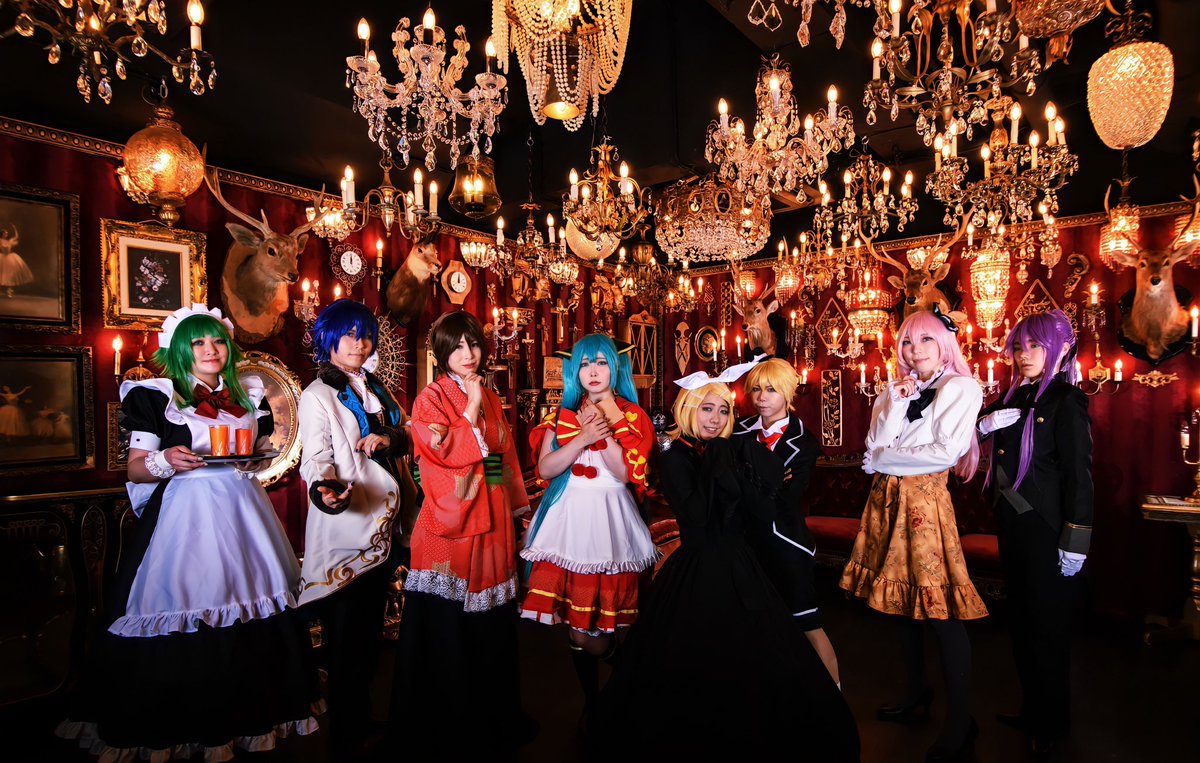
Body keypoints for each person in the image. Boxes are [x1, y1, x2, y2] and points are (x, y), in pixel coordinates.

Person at [57, 304, 319, 760]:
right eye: (198, 342)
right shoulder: (156, 396)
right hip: (188, 514)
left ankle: (251, 716)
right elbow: (136, 469)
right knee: (190, 598)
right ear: (180, 350)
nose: (210, 349)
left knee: (254, 597)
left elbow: (255, 449)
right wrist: (165, 460)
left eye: (217, 341)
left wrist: (257, 454)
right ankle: (184, 724)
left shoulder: (249, 395)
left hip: (244, 511)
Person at [588, 373, 860, 759]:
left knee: (761, 653)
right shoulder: (675, 455)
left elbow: (762, 506)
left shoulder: (726, 448)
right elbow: (698, 516)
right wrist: (720, 459)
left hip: (740, 561)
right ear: (688, 409)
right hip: (700, 565)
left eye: (722, 411)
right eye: (706, 409)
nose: (714, 419)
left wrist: (741, 463)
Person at [839, 307, 986, 762]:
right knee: (899, 604)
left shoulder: (962, 387)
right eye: (907, 341)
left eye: (925, 340)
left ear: (944, 345)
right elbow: (874, 442)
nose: (914, 349)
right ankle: (916, 693)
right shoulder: (897, 388)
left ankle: (960, 723)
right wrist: (898, 402)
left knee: (940, 609)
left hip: (924, 503)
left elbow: (943, 452)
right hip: (886, 498)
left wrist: (885, 457)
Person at [392, 310, 532, 748]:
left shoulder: (489, 394)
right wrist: (469, 407)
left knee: (489, 625)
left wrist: (506, 505)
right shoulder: (429, 398)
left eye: (472, 344)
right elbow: (439, 456)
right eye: (456, 347)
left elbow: (500, 456)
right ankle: (447, 722)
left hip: (490, 516)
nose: (467, 354)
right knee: (447, 624)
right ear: (441, 353)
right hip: (448, 520)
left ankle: (490, 715)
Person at [297, 298, 414, 757]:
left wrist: (390, 437)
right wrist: (325, 489)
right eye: (349, 335)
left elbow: (404, 433)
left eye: (365, 336)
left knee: (367, 639)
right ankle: (345, 734)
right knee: (345, 640)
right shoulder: (317, 395)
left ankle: (362, 719)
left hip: (386, 525)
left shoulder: (377, 387)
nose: (359, 344)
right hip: (348, 526)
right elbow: (316, 457)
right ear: (328, 339)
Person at [976, 310, 1092, 758]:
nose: (1024, 355)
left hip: (1047, 530)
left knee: (1048, 631)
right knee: (1022, 624)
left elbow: (1080, 476)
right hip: (1013, 526)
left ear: (1060, 350)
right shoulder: (1013, 395)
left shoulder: (1067, 400)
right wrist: (982, 425)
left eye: (1035, 346)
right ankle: (1032, 709)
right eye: (1020, 347)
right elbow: (968, 433)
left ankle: (1052, 722)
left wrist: (1076, 539)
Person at [519, 333, 657, 711]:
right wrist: (581, 438)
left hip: (609, 523)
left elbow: (625, 473)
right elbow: (545, 469)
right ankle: (592, 704)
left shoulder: (632, 415)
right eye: (583, 364)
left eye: (600, 362)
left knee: (599, 627)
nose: (592, 371)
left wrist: (604, 430)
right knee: (576, 626)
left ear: (614, 367)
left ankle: (629, 685)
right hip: (567, 523)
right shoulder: (561, 415)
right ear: (574, 372)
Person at [731, 357, 841, 685]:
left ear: (788, 393)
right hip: (744, 543)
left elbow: (786, 500)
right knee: (752, 625)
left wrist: (748, 480)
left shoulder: (804, 442)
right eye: (756, 389)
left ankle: (834, 698)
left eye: (771, 390)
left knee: (807, 623)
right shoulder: (737, 430)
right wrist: (769, 481)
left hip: (785, 544)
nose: (761, 397)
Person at [0, 223, 34, 297]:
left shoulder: (10, 241)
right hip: (2, 258)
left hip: (10, 258)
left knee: (10, 275)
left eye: (7, 233)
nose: (6, 234)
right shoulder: (0, 241)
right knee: (2, 274)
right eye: (5, 233)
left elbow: (16, 236)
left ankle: (9, 291)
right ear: (2, 234)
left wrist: (14, 228)